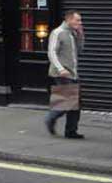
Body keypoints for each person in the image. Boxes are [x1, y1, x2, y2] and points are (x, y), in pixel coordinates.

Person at [44, 10, 85, 139]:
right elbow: (52, 52)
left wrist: (80, 35)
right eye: (77, 20)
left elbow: (80, 50)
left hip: (72, 73)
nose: (80, 22)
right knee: (66, 102)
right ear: (69, 20)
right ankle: (50, 118)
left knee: (76, 102)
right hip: (61, 73)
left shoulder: (72, 33)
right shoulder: (57, 32)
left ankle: (71, 131)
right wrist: (60, 69)